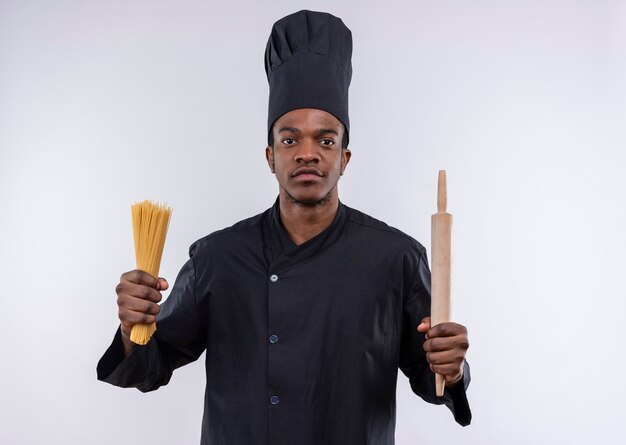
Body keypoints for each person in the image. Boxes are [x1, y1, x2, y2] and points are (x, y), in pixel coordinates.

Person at [97, 9, 472, 445]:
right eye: (290, 139)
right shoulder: (216, 258)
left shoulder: (397, 259)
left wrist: (451, 366)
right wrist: (132, 330)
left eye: (326, 140)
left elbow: (434, 382)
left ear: (344, 159)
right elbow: (149, 367)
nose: (307, 153)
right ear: (270, 156)